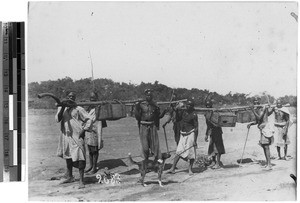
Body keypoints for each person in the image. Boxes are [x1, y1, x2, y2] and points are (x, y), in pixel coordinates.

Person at [55, 91, 92, 189]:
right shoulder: (61, 108)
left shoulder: (79, 109)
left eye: (73, 97)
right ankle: (70, 176)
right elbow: (58, 119)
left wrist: (84, 130)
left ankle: (81, 180)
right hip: (66, 135)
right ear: (66, 97)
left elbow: (89, 119)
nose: (71, 98)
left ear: (75, 98)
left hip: (77, 135)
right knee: (68, 156)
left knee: (80, 157)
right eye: (69, 96)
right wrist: (63, 107)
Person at [166, 99, 198, 175]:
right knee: (179, 151)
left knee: (191, 152)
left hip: (191, 133)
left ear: (192, 107)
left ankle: (190, 169)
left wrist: (195, 141)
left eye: (190, 105)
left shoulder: (194, 114)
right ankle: (173, 168)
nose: (188, 106)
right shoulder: (183, 112)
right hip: (183, 133)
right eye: (187, 105)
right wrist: (175, 109)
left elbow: (196, 127)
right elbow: (177, 117)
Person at [134, 89, 165, 164]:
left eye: (150, 95)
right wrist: (136, 107)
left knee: (155, 145)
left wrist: (164, 111)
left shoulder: (155, 105)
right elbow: (137, 117)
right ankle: (146, 161)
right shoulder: (141, 105)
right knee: (145, 147)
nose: (149, 96)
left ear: (152, 96)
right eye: (147, 95)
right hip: (143, 126)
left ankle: (158, 162)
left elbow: (159, 116)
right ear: (145, 96)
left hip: (152, 126)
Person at [247, 97, 274, 170]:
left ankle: (269, 164)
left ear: (259, 103)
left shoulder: (262, 109)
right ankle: (268, 163)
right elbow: (258, 121)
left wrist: (252, 110)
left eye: (257, 103)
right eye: (254, 103)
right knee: (264, 147)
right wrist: (251, 124)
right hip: (262, 129)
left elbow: (259, 118)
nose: (256, 104)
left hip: (266, 129)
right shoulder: (258, 110)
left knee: (266, 147)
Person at [84, 92, 107, 175]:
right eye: (91, 98)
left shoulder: (99, 107)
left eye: (94, 98)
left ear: (97, 99)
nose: (92, 100)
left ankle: (94, 167)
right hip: (88, 130)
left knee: (95, 150)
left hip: (96, 130)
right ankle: (90, 166)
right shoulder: (89, 108)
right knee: (89, 149)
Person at [204, 99, 225, 169]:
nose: (208, 107)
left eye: (209, 106)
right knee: (212, 147)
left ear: (211, 106)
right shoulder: (206, 114)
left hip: (217, 131)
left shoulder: (215, 113)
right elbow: (208, 125)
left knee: (218, 147)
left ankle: (218, 163)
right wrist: (206, 134)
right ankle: (213, 162)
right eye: (206, 106)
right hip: (212, 132)